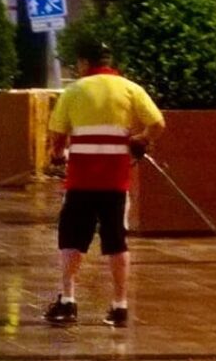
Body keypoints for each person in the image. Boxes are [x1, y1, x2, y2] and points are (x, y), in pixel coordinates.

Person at [44, 37, 165, 327]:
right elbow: (158, 123)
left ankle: (68, 300)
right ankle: (119, 305)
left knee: (71, 239)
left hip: (80, 181)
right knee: (116, 242)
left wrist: (57, 155)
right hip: (116, 182)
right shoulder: (130, 89)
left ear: (85, 63)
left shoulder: (74, 91)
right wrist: (141, 140)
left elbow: (58, 134)